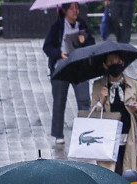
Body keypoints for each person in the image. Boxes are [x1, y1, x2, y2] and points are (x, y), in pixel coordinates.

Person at [43, 3, 93, 146]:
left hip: (79, 68)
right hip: (61, 68)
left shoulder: (82, 24)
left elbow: (92, 43)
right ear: (64, 10)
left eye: (76, 8)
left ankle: (85, 132)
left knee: (84, 101)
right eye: (71, 9)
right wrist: (59, 54)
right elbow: (47, 47)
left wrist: (84, 39)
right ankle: (58, 134)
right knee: (59, 102)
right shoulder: (57, 26)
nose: (75, 11)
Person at [90, 51, 137, 177]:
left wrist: (136, 109)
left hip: (128, 136)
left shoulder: (133, 83)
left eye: (117, 61)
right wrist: (101, 100)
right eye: (110, 62)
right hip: (107, 138)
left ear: (122, 63)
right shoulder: (98, 85)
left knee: (128, 174)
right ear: (105, 65)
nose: (115, 64)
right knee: (110, 174)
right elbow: (93, 114)